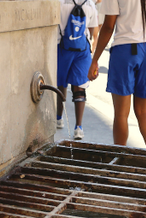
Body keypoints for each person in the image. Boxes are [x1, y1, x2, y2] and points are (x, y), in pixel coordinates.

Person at [88, 0, 146, 149]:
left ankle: (120, 160)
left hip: (125, 49)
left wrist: (95, 59)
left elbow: (108, 26)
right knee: (144, 112)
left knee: (121, 114)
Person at [56, 0, 98, 140]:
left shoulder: (60, 2)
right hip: (82, 49)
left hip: (62, 46)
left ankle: (59, 118)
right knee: (79, 86)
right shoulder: (90, 4)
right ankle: (78, 127)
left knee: (61, 83)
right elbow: (92, 31)